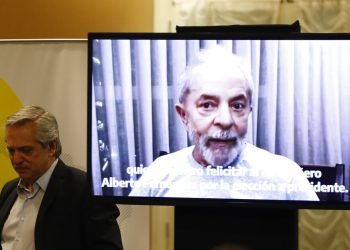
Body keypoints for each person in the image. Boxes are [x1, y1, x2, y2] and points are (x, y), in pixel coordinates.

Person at [129, 45, 318, 201]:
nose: (225, 120)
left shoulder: (287, 176)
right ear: (184, 115)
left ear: (248, 113)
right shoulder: (159, 172)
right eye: (208, 105)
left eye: (237, 105)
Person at [0, 105, 123, 250]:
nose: (16, 159)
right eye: (11, 150)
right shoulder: (9, 190)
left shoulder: (86, 190)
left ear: (52, 147)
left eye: (26, 150)